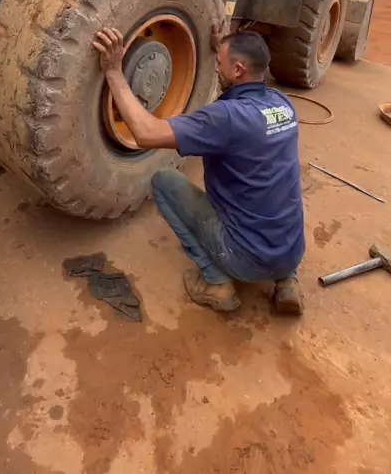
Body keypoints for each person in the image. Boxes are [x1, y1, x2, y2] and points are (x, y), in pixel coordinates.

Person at [93, 24, 305, 315]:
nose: (216, 67)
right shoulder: (283, 105)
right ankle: (287, 282)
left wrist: (114, 72)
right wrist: (224, 49)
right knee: (273, 190)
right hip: (292, 251)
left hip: (246, 260)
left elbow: (145, 133)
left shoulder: (226, 118)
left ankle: (216, 282)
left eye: (220, 63)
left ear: (238, 70)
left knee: (164, 181)